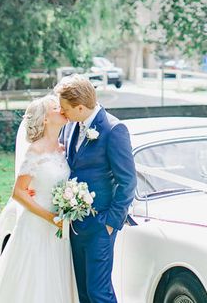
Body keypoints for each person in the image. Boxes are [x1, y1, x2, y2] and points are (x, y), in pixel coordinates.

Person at [0, 94, 78, 303]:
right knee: (33, 284)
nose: (61, 109)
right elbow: (18, 192)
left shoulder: (62, 149)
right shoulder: (35, 151)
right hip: (37, 226)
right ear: (44, 119)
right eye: (55, 108)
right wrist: (51, 217)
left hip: (59, 229)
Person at [57, 74, 137, 303]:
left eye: (65, 109)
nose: (62, 113)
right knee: (82, 292)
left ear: (80, 107)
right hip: (75, 225)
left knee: (98, 293)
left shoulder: (114, 130)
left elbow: (128, 181)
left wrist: (111, 223)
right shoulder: (70, 126)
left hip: (100, 226)